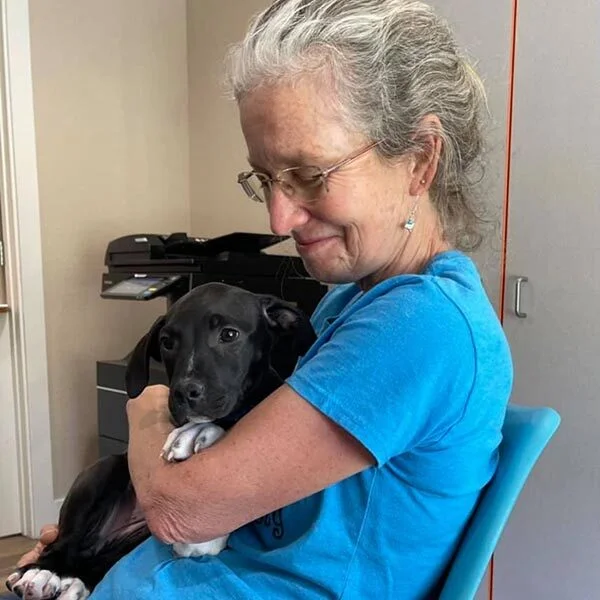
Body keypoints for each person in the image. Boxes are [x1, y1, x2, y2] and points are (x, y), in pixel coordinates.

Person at [10, 1, 512, 598]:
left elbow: (183, 512)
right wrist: (96, 549)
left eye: (310, 172)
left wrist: (148, 409)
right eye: (266, 178)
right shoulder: (348, 304)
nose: (280, 216)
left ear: (419, 160)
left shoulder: (422, 324)